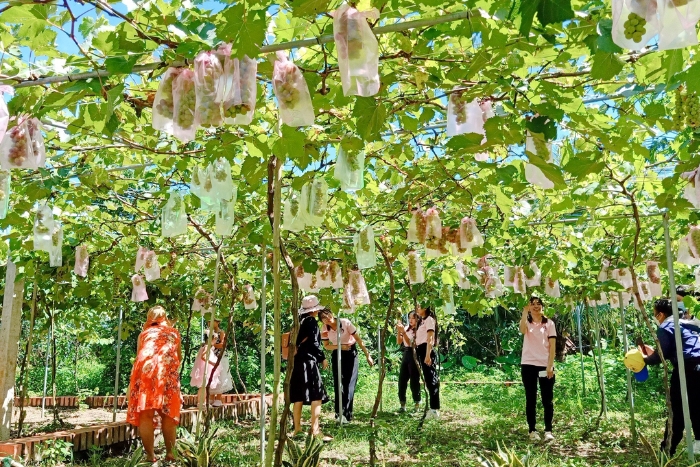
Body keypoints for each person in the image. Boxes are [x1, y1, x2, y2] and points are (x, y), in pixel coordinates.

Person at [642, 298, 700, 456]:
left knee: (677, 412)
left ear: (660, 314)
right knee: (697, 407)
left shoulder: (667, 326)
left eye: (654, 314)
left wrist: (642, 359)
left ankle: (667, 451)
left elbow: (658, 357)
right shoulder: (690, 323)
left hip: (687, 369)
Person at [126, 306, 182, 463]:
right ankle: (170, 453)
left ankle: (150, 456)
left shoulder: (143, 334)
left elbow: (139, 355)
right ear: (165, 319)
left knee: (146, 414)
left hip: (145, 371)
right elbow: (179, 357)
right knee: (168, 413)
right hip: (166, 370)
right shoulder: (174, 333)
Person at [319, 309, 374, 422]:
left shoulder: (345, 322)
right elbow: (326, 345)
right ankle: (338, 413)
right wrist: (339, 347)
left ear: (332, 314)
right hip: (337, 354)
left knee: (349, 383)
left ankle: (347, 413)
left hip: (350, 354)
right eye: (324, 318)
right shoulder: (325, 329)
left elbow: (358, 339)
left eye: (328, 315)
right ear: (322, 321)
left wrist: (367, 355)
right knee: (338, 383)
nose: (327, 318)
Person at [289, 295, 332, 441]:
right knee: (317, 395)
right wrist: (322, 358)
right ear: (314, 310)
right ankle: (315, 430)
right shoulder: (312, 322)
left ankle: (297, 430)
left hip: (296, 361)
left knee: (298, 396)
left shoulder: (298, 321)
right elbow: (314, 343)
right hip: (308, 361)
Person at [519, 296, 556, 443]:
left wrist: (550, 365)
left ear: (542, 306)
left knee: (547, 399)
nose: (536, 306)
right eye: (532, 304)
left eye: (538, 304)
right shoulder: (527, 323)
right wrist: (524, 312)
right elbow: (522, 330)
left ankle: (548, 430)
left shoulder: (549, 324)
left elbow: (552, 346)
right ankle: (532, 430)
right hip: (528, 364)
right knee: (531, 398)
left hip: (544, 365)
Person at [189, 318, 234, 407]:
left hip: (219, 356)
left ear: (217, 322)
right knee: (210, 376)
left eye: (212, 321)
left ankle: (218, 398)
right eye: (209, 321)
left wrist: (211, 344)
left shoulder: (221, 332)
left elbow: (222, 344)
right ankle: (211, 397)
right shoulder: (207, 332)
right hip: (210, 356)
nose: (210, 323)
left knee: (220, 376)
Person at [415, 305, 440, 419]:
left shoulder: (429, 319)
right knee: (427, 379)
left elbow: (430, 337)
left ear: (425, 308)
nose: (417, 308)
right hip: (421, 349)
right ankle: (432, 407)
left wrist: (428, 354)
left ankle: (434, 409)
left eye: (419, 306)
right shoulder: (422, 321)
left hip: (426, 349)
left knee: (431, 379)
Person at [395, 311, 422, 413]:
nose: (411, 320)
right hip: (406, 353)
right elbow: (399, 342)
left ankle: (417, 403)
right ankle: (402, 404)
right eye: (409, 318)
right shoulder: (406, 328)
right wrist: (399, 331)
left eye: (413, 318)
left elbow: (411, 343)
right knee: (402, 379)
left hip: (414, 353)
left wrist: (404, 332)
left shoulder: (419, 330)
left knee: (414, 380)